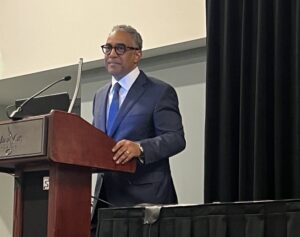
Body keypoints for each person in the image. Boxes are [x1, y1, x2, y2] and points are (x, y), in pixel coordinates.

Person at [91, 24, 186, 234]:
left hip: (145, 203)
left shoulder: (159, 92)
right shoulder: (100, 96)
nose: (112, 54)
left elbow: (176, 138)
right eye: (108, 48)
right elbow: (96, 140)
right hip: (105, 201)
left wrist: (140, 148)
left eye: (120, 48)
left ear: (137, 55)